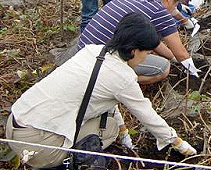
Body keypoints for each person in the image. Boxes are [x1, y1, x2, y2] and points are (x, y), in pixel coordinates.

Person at [5, 13, 196, 169]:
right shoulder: (123, 77)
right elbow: (147, 115)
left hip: (15, 125)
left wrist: (125, 134)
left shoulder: (93, 51)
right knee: (109, 129)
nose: (146, 58)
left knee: (110, 123)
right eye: (146, 53)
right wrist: (177, 143)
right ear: (133, 51)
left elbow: (106, 100)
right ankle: (63, 164)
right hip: (39, 145)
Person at [78, 0, 201, 84]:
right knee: (163, 68)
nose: (174, 9)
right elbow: (181, 53)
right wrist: (193, 72)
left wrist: (173, 58)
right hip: (99, 62)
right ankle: (111, 83)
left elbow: (154, 42)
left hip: (82, 52)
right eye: (175, 4)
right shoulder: (159, 11)